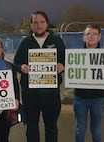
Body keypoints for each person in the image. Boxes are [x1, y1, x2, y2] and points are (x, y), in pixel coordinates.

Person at [13, 11, 66, 142]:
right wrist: (21, 68)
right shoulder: (25, 43)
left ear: (47, 23)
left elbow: (67, 61)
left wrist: (63, 66)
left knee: (51, 127)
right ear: (30, 25)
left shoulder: (57, 41)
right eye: (35, 22)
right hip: (30, 94)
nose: (38, 25)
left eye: (42, 22)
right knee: (31, 127)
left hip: (51, 94)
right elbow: (16, 63)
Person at [73, 24, 104, 142]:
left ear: (99, 37)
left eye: (94, 34)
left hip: (99, 98)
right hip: (80, 98)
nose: (91, 36)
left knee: (96, 131)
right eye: (88, 34)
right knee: (79, 129)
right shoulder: (74, 57)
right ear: (83, 37)